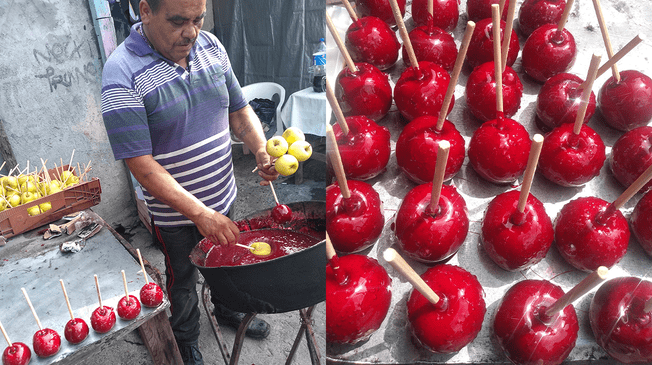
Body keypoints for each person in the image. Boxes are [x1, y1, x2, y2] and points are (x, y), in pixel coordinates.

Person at [100, 0, 279, 363]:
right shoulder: (121, 73)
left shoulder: (211, 46)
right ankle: (186, 338)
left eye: (198, 19)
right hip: (176, 217)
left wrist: (260, 148)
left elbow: (239, 110)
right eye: (178, 21)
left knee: (226, 262)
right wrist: (200, 214)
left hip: (223, 196)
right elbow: (141, 165)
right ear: (146, 10)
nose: (192, 33)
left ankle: (226, 310)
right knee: (182, 278)